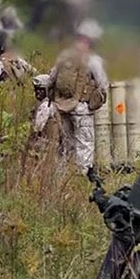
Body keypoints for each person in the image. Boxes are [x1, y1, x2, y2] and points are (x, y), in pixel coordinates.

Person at [49, 19, 108, 174]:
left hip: (62, 105)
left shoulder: (64, 55)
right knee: (85, 143)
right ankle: (82, 177)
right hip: (82, 108)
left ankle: (59, 177)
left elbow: (51, 78)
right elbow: (102, 83)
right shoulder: (93, 59)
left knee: (65, 143)